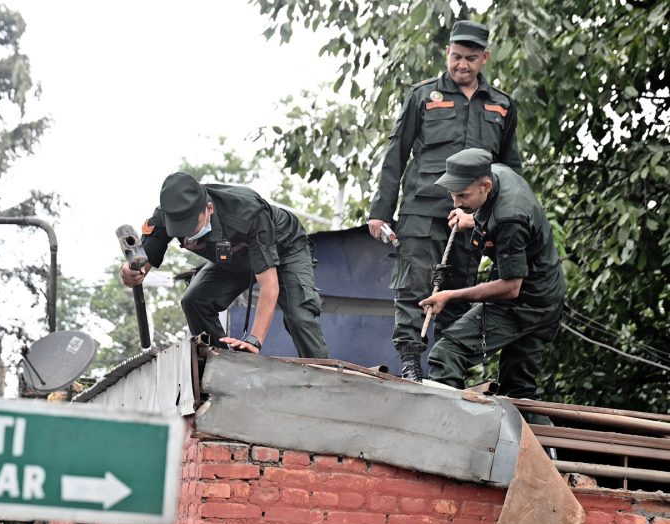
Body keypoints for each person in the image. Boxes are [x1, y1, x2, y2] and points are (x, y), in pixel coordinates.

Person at [367, 19, 522, 382]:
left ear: (485, 58)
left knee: (459, 292)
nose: (462, 65)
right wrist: (380, 212)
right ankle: (410, 362)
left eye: (470, 58)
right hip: (422, 210)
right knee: (412, 286)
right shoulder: (423, 96)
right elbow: (396, 153)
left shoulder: (501, 105)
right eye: (456, 56)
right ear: (447, 53)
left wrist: (502, 220)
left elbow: (509, 170)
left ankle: (446, 372)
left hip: (470, 218)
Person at [121, 171, 329, 358]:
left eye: (191, 225)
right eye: (180, 229)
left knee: (299, 317)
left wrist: (253, 341)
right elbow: (141, 263)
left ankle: (326, 378)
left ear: (209, 209)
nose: (187, 233)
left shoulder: (248, 210)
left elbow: (269, 286)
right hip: (233, 256)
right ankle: (216, 362)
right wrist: (131, 273)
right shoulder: (165, 215)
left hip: (285, 249)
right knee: (194, 301)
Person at [419, 148, 565, 401]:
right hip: (549, 296)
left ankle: (447, 422)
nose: (456, 204)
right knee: (518, 391)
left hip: (526, 303)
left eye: (463, 195)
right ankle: (539, 431)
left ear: (485, 186)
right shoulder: (497, 173)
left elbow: (510, 287)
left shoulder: (511, 218)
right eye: (453, 195)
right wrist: (472, 219)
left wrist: (450, 295)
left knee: (446, 354)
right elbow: (494, 213)